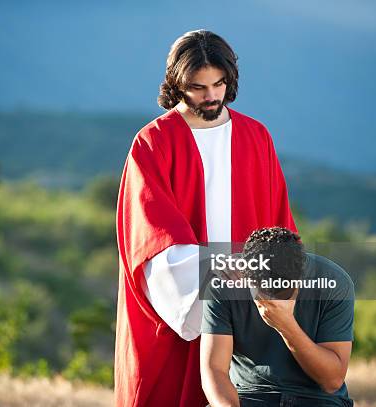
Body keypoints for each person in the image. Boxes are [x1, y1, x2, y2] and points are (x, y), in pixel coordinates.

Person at [114, 30, 297, 406]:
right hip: (177, 318)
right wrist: (220, 273)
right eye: (198, 87)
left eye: (219, 84)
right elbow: (151, 241)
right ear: (177, 84)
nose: (211, 96)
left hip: (250, 312)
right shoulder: (153, 143)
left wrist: (275, 283)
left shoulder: (255, 136)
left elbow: (280, 225)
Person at [200, 227, 355, 407]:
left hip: (319, 400)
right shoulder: (224, 286)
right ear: (247, 278)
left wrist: (286, 325)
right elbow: (214, 370)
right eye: (265, 295)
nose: (274, 303)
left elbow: (332, 382)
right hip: (250, 396)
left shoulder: (334, 283)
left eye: (284, 293)